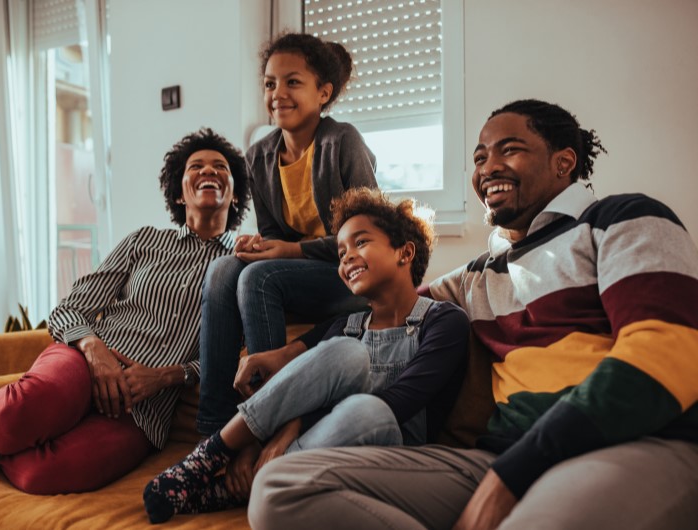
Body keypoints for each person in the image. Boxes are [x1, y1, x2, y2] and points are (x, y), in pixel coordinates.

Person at [247, 99, 698, 530]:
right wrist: (289, 355)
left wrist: (516, 472)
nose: (487, 168)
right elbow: (388, 308)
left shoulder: (622, 218)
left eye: (510, 149)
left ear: (564, 163)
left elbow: (666, 354)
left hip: (630, 442)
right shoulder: (478, 275)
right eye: (480, 157)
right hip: (495, 460)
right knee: (279, 488)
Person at [0, 128, 251, 495]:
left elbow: (227, 356)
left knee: (45, 474)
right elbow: (69, 309)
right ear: (179, 193)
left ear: (235, 192)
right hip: (86, 360)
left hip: (145, 406)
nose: (208, 171)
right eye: (196, 166)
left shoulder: (242, 264)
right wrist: (94, 352)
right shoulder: (144, 240)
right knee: (24, 408)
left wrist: (163, 377)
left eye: (220, 166)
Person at [142, 188, 470, 524]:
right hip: (325, 451)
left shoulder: (444, 321)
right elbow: (297, 369)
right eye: (341, 252)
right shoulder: (346, 326)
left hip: (393, 459)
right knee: (346, 352)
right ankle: (209, 457)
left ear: (405, 252)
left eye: (360, 242)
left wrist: (291, 431)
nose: (347, 258)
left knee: (369, 409)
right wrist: (273, 409)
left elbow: (400, 402)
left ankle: (243, 485)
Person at [197, 32, 379, 435]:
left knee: (259, 277)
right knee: (224, 270)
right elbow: (273, 235)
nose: (278, 93)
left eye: (292, 82)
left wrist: (292, 251)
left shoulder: (342, 141)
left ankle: (268, 419)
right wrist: (256, 245)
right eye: (269, 83)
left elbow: (369, 240)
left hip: (350, 278)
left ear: (323, 92)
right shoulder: (259, 156)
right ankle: (213, 427)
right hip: (302, 279)